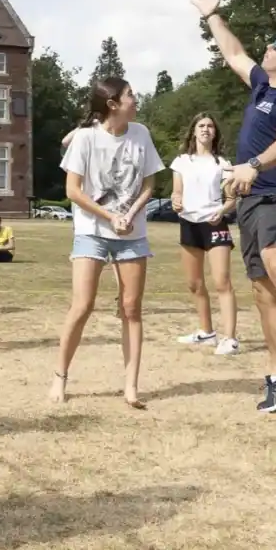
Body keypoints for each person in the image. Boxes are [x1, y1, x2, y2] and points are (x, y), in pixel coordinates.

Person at [190, 0, 276, 413]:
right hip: (249, 201)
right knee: (264, 291)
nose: (268, 47)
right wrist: (213, 15)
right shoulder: (264, 86)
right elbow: (233, 54)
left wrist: (254, 167)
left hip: (275, 196)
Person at [50, 77, 163, 408]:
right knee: (82, 305)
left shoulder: (140, 133)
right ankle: (60, 377)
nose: (135, 98)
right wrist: (109, 216)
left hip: (133, 235)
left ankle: (131, 386)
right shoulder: (85, 138)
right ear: (112, 104)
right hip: (91, 233)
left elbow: (149, 184)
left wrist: (130, 213)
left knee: (131, 308)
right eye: (130, 94)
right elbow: (73, 191)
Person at [169, 113, 238, 354]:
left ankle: (230, 338)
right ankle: (206, 332)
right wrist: (176, 200)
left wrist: (222, 211)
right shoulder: (181, 161)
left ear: (215, 133)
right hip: (189, 223)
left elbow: (232, 199)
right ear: (194, 131)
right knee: (194, 283)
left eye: (210, 126)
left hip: (214, 223)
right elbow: (177, 191)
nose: (206, 129)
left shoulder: (223, 164)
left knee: (222, 281)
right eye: (201, 125)